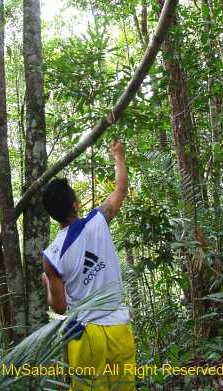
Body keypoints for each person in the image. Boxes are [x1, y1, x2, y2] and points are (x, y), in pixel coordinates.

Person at [41, 139, 135, 390]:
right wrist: (118, 155)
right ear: (75, 204)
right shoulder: (99, 220)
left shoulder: (52, 256)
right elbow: (121, 189)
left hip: (83, 334)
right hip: (118, 326)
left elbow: (59, 307)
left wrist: (47, 284)